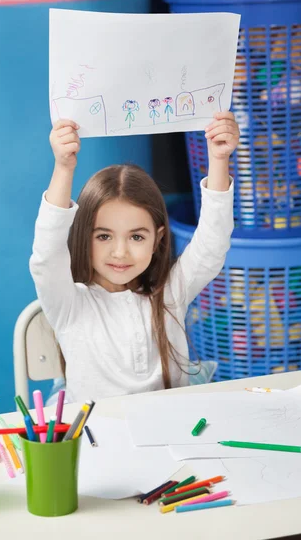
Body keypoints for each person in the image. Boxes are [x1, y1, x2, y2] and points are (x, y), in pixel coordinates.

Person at [30, 112, 239, 403]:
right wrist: (64, 167)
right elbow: (47, 256)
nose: (120, 252)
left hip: (169, 437)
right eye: (103, 236)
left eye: (137, 237)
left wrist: (218, 160)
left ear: (158, 239)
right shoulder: (70, 304)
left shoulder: (170, 294)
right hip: (98, 441)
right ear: (83, 237)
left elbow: (212, 245)